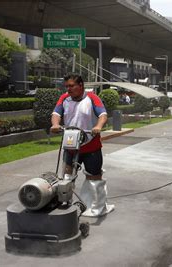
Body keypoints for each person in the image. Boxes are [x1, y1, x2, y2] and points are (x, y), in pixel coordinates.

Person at [50, 73, 114, 217]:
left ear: (81, 85)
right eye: (66, 86)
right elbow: (56, 113)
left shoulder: (92, 98)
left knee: (94, 177)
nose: (69, 89)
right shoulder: (64, 98)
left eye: (71, 86)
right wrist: (55, 124)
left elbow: (103, 115)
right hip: (70, 145)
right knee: (67, 177)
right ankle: (65, 204)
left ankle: (97, 206)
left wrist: (98, 126)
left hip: (90, 145)